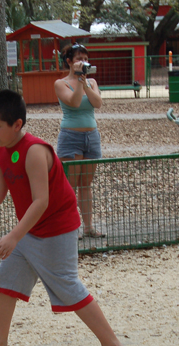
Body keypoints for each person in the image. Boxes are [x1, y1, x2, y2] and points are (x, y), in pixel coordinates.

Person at [0, 89, 131, 346]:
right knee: (7, 277)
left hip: (56, 228)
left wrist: (14, 236)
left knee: (66, 284)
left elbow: (42, 201)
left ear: (17, 124)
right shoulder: (3, 152)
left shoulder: (35, 151)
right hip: (30, 228)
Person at [54, 43, 105, 239]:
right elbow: (74, 103)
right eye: (78, 59)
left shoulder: (91, 82)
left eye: (85, 58)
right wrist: (78, 81)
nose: (83, 62)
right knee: (71, 185)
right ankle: (70, 227)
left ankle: (88, 227)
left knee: (86, 184)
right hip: (71, 136)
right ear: (69, 62)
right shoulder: (61, 83)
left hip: (91, 136)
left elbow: (98, 103)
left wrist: (84, 83)